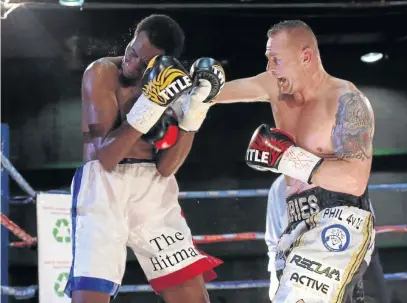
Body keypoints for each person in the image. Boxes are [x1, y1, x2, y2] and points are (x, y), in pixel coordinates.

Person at [64, 14, 226, 303]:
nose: (132, 61)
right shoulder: (101, 72)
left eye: (143, 61)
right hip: (104, 189)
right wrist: (151, 105)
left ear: (161, 63)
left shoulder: (174, 84)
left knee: (193, 296)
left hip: (152, 188)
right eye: (132, 50)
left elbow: (166, 168)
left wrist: (194, 113)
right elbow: (107, 157)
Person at [214, 20, 376, 302]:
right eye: (268, 59)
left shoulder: (347, 101)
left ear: (305, 57)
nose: (270, 68)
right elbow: (218, 93)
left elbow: (355, 180)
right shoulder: (275, 85)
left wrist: (289, 157)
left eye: (276, 60)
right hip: (294, 220)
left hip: (342, 218)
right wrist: (197, 85)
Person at [265, 174, 390, 302]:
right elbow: (274, 241)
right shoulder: (280, 187)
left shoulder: (345, 174)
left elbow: (367, 224)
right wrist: (276, 283)